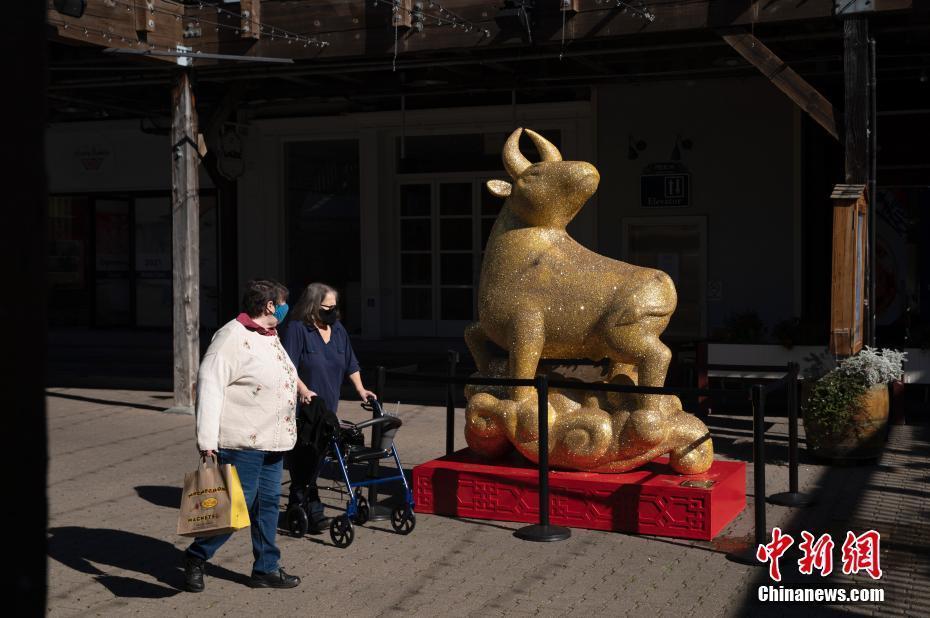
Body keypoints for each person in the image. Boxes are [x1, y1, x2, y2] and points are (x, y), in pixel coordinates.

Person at [183, 280, 301, 593]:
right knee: (235, 509)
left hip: (274, 439)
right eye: (283, 302)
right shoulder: (231, 336)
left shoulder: (270, 335)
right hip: (243, 442)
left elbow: (284, 372)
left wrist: (301, 389)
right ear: (270, 306)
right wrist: (207, 443)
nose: (288, 308)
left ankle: (266, 568)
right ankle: (196, 557)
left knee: (268, 506)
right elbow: (209, 387)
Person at [281, 282, 376, 532]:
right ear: (313, 306)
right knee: (307, 460)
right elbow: (288, 367)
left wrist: (361, 389)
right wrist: (303, 390)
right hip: (303, 409)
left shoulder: (337, 329)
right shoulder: (297, 329)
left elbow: (350, 362)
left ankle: (298, 507)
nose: (332, 312)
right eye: (327, 307)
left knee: (316, 459)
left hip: (327, 409)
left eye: (335, 307)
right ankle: (311, 511)